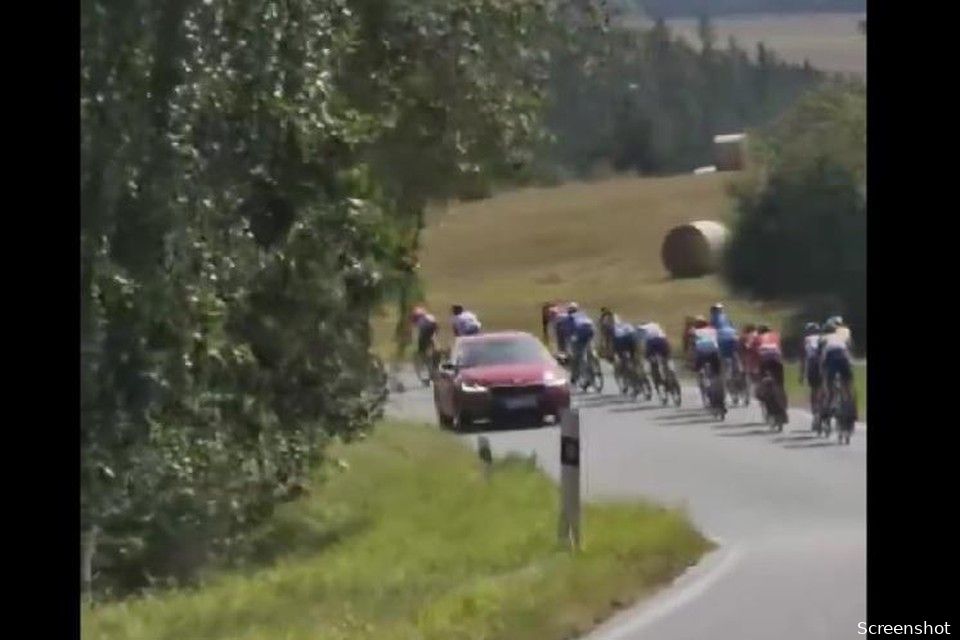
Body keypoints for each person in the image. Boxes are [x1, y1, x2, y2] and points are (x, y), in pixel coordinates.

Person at [818, 317, 856, 420]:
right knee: (848, 384)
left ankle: (831, 405)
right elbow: (850, 347)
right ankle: (851, 406)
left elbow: (821, 355)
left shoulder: (824, 337)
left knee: (829, 386)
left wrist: (821, 370)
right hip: (844, 356)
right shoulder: (844, 334)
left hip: (831, 357)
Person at [756, 324, 787, 420]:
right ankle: (783, 405)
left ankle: (767, 402)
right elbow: (780, 349)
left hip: (764, 361)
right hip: (776, 360)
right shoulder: (776, 335)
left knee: (762, 383)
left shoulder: (758, 338)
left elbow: (754, 352)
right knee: (780, 384)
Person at [599, 308, 640, 372]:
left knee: (617, 349)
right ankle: (633, 361)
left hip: (619, 339)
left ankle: (623, 364)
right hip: (628, 338)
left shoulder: (609, 324)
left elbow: (606, 335)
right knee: (632, 351)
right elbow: (633, 333)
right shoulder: (625, 323)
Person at [563, 303, 596, 383]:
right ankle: (594, 364)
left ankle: (577, 376)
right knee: (589, 352)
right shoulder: (583, 315)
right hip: (589, 335)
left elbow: (568, 332)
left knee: (577, 358)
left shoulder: (569, 318)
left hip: (578, 338)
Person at [691, 316, 721, 398]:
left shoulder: (695, 331)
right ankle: (716, 385)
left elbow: (692, 344)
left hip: (701, 352)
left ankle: (702, 382)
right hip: (714, 351)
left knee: (697, 369)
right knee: (716, 372)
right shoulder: (713, 330)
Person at [798, 322, 822, 420]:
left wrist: (801, 375)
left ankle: (815, 412)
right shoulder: (823, 338)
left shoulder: (806, 340)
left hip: (812, 365)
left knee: (814, 389)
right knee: (824, 386)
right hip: (823, 363)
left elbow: (803, 360)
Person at [637, 320, 673, 385]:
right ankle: (671, 371)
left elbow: (644, 345)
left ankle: (656, 375)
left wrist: (646, 356)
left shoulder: (643, 329)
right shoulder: (656, 325)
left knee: (651, 360)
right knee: (666, 358)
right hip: (663, 341)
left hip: (652, 342)